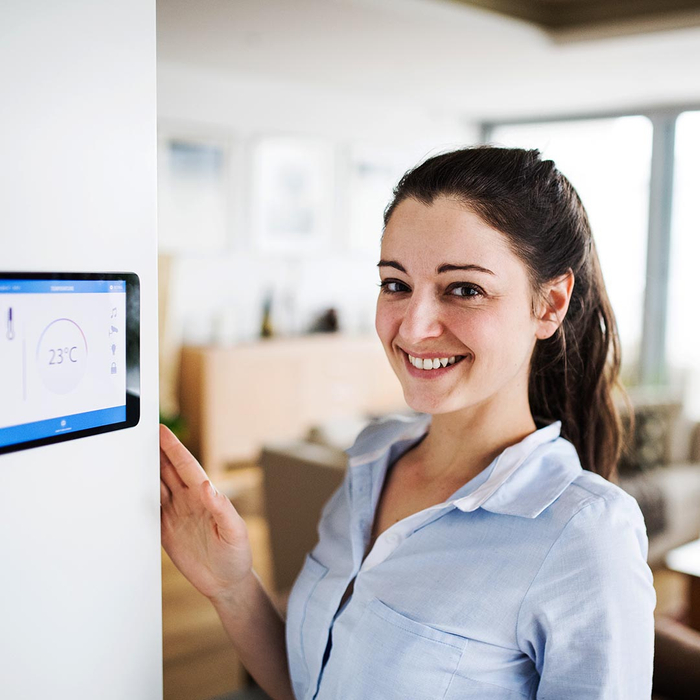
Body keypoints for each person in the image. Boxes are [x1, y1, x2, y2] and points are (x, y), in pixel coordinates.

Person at [160, 146, 656, 700]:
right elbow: (314, 687)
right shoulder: (373, 460)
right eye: (396, 284)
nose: (414, 328)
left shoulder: (586, 536)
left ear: (550, 305)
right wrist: (229, 585)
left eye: (464, 289)